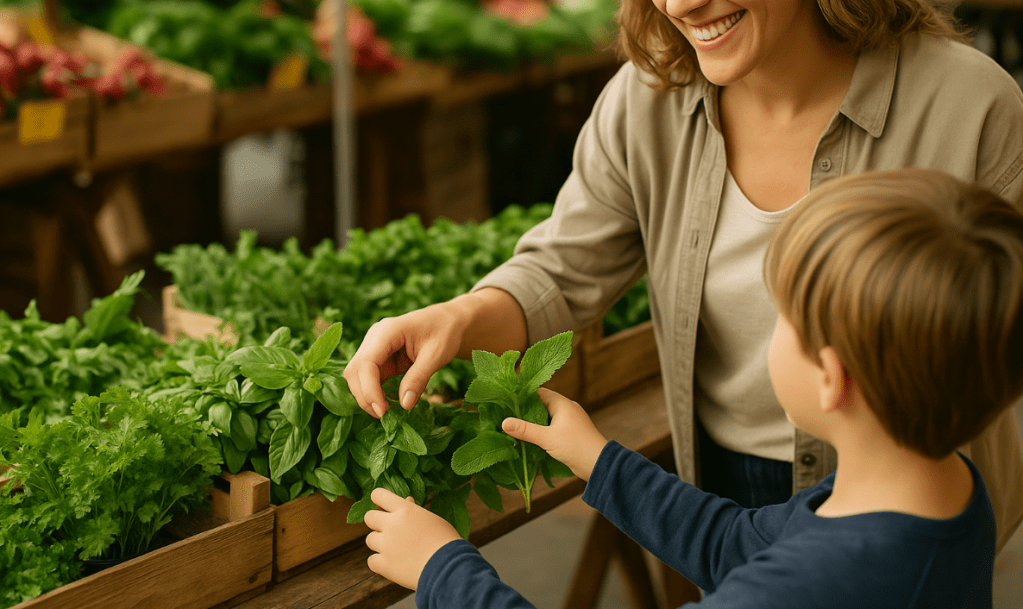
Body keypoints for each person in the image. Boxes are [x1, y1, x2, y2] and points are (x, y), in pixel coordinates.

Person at [343, 0, 1023, 551]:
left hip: (905, 503)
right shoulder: (645, 100)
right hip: (714, 482)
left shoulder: (972, 106)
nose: (679, 5)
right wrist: (457, 318)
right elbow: (562, 266)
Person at [362, 169, 1023, 608]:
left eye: (783, 317)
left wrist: (442, 569)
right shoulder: (943, 490)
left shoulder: (809, 584)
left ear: (830, 377)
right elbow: (737, 542)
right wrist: (599, 459)